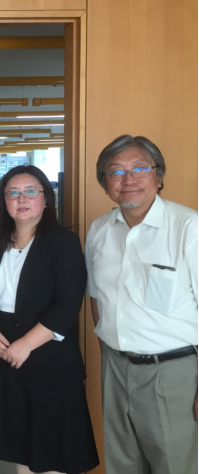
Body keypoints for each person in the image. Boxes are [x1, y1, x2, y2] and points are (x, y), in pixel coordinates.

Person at [85, 135, 197, 474]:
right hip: (115, 368)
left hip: (174, 374)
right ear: (105, 184)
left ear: (159, 177)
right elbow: (96, 297)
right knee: (122, 465)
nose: (128, 179)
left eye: (140, 168)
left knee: (175, 466)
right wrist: (110, 351)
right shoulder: (99, 230)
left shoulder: (188, 227)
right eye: (116, 171)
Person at [0, 165, 98, 474]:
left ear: (46, 199)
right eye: (12, 193)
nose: (21, 199)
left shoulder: (63, 242)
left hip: (50, 361)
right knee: (21, 449)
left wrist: (25, 345)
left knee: (52, 453)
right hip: (6, 360)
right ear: (3, 201)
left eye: (30, 192)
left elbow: (67, 304)